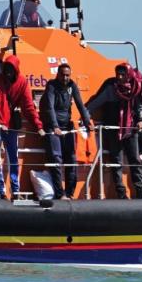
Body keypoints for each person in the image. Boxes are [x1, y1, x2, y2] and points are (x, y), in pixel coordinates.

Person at [87, 63, 142, 198]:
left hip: (131, 129)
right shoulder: (111, 88)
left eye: (123, 74)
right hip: (113, 129)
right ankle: (121, 193)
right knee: (116, 161)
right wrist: (86, 118)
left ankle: (141, 192)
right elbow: (94, 104)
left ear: (128, 75)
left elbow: (140, 107)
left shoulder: (135, 88)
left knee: (134, 160)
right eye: (118, 74)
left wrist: (141, 120)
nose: (119, 77)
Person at [0, 54, 44, 198]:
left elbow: (28, 106)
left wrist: (38, 126)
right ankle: (0, 191)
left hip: (11, 125)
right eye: (6, 68)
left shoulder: (22, 82)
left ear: (16, 70)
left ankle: (15, 190)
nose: (8, 71)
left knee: (13, 158)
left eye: (11, 69)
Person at [40, 63, 94, 198]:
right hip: (53, 127)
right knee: (56, 158)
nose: (65, 78)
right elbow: (49, 108)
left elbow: (80, 105)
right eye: (63, 75)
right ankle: (60, 193)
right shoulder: (51, 86)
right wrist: (55, 126)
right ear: (57, 75)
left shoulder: (72, 86)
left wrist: (87, 122)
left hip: (67, 126)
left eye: (67, 75)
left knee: (71, 158)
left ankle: (70, 193)